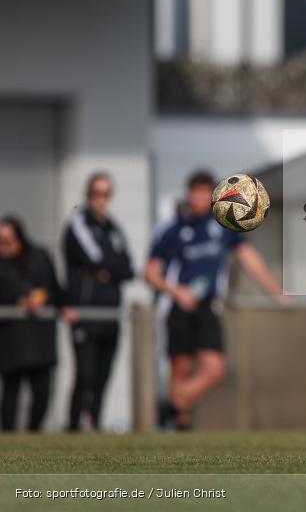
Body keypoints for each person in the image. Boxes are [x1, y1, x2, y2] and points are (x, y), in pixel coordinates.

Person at [144, 170, 287, 430]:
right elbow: (150, 274)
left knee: (215, 368)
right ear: (188, 194)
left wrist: (276, 292)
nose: (200, 198)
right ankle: (180, 424)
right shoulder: (171, 228)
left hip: (209, 307)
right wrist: (177, 291)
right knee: (181, 366)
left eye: (205, 193)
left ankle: (172, 406)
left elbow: (248, 258)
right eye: (196, 192)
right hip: (177, 308)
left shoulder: (222, 224)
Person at [62, 172, 135, 431]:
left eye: (106, 194)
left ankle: (94, 422)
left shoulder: (113, 228)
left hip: (110, 313)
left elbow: (128, 268)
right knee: (85, 374)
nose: (101, 199)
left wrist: (107, 271)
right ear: (88, 194)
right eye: (96, 193)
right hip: (85, 311)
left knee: (103, 374)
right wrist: (105, 269)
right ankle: (74, 425)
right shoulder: (79, 222)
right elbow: (95, 258)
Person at [0, 216, 76, 431]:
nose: (2, 247)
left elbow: (55, 288)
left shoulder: (40, 257)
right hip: (10, 337)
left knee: (42, 388)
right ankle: (8, 434)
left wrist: (62, 306)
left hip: (40, 336)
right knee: (11, 390)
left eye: (7, 241)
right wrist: (17, 299)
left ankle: (34, 431)